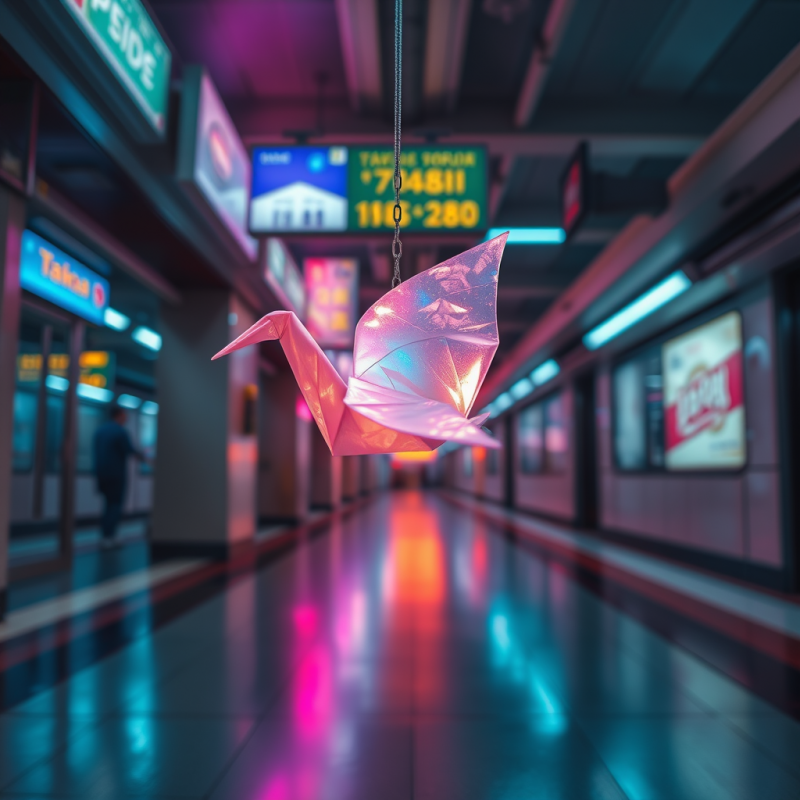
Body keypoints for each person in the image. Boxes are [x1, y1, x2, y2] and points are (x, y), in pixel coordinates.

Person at [93, 406, 145, 548]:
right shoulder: (120, 432)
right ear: (119, 415)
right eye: (125, 415)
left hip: (101, 474)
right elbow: (130, 450)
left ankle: (105, 535)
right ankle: (110, 536)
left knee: (107, 505)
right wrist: (146, 458)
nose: (126, 418)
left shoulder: (100, 431)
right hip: (116, 475)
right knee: (115, 505)